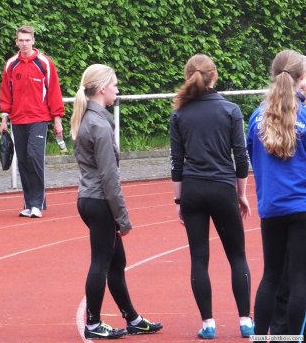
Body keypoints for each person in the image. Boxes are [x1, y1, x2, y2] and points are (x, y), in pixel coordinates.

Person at [71, 64, 163, 339]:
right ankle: (93, 324)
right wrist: (122, 218)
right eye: (114, 84)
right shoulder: (99, 125)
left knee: (116, 261)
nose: (117, 89)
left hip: (89, 198)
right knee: (101, 262)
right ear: (102, 89)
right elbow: (109, 178)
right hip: (99, 201)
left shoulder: (88, 119)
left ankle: (132, 318)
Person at [169, 54, 253, 339]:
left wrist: (178, 201)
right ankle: (246, 321)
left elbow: (176, 161)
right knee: (237, 256)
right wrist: (241, 193)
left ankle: (208, 324)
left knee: (198, 258)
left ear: (187, 76)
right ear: (214, 76)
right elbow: (241, 157)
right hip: (222, 189)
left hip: (193, 190)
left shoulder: (179, 114)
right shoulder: (230, 110)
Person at [246, 49, 306, 338]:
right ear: (301, 77)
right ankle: (292, 338)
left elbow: (252, 157)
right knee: (298, 279)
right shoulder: (303, 115)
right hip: (301, 206)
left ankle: (260, 337)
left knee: (270, 276)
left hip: (271, 206)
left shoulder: (257, 118)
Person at [0, 25, 64, 218]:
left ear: (33, 41)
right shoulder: (11, 64)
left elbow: (54, 92)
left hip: (39, 119)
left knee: (34, 157)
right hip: (17, 120)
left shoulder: (45, 63)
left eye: (27, 40)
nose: (24, 44)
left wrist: (57, 120)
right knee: (23, 161)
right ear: (16, 42)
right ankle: (29, 204)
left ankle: (37, 203)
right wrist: (4, 118)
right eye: (21, 40)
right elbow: (6, 93)